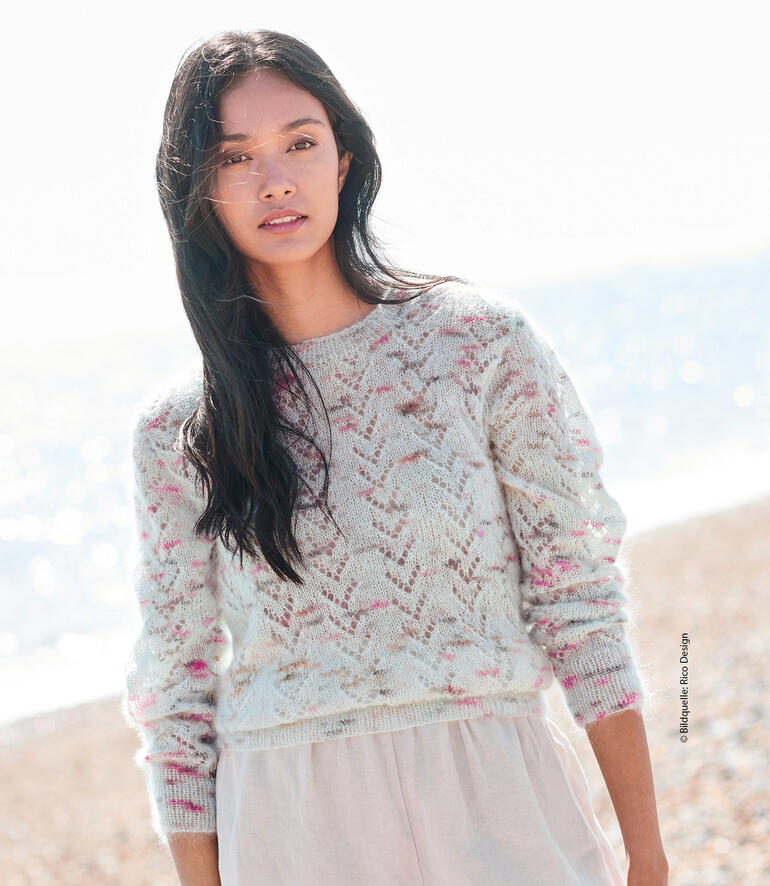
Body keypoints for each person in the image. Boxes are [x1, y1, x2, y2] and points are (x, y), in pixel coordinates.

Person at [121, 27, 669, 886]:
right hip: (292, 824)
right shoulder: (181, 428)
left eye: (300, 142)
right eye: (236, 157)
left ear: (344, 158)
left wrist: (647, 853)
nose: (276, 179)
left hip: (496, 790)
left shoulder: (478, 344)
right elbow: (176, 689)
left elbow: (581, 599)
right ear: (200, 192)